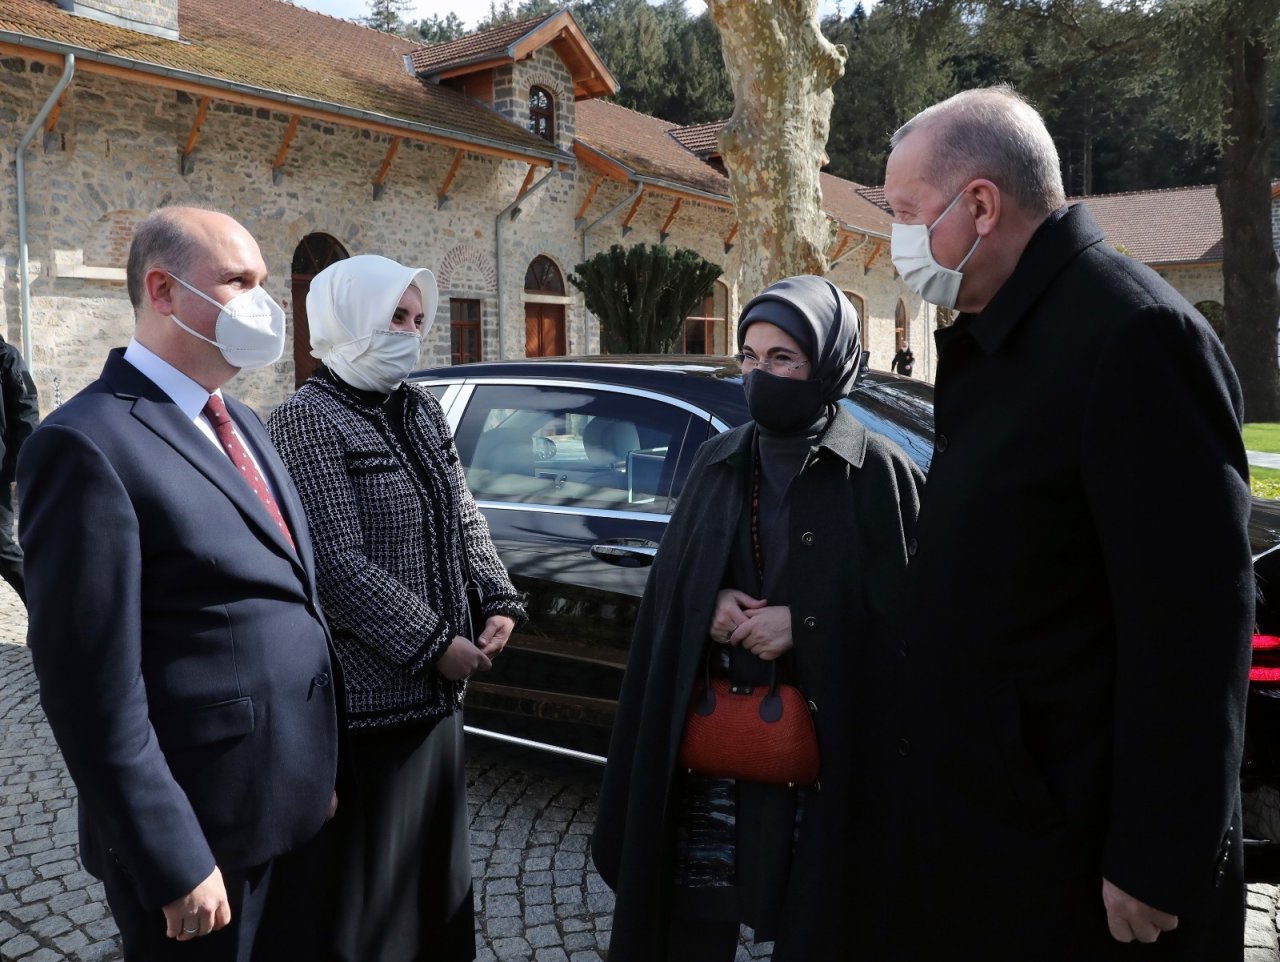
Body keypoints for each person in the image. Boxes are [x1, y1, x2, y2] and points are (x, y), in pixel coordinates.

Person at [871, 87, 1253, 960]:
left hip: (1076, 849)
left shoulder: (1134, 335)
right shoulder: (1005, 328)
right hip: (998, 820)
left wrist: (1158, 855)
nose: (893, 240)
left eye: (901, 213)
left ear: (979, 204)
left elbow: (1194, 623)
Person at [17, 207, 341, 961]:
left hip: (289, 812)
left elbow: (290, 602)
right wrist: (172, 857)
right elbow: (89, 691)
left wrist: (313, 776)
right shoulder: (84, 443)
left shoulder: (248, 425)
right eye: (239, 280)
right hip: (203, 841)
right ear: (162, 291)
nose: (264, 301)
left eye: (264, 281)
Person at [592, 275, 924, 962]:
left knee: (822, 916)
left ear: (828, 362)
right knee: (697, 912)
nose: (759, 373)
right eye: (748, 355)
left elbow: (913, 626)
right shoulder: (718, 460)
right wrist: (704, 604)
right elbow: (671, 595)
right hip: (714, 750)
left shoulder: (881, 476)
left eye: (782, 358)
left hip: (829, 756)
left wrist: (801, 626)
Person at [267, 254, 526, 962]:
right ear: (346, 320)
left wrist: (498, 594)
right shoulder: (304, 421)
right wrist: (436, 641)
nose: (410, 335)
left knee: (433, 882)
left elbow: (462, 514)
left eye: (418, 320)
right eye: (394, 319)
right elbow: (335, 565)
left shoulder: (419, 408)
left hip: (439, 701)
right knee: (367, 896)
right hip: (367, 707)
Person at [0, 331, 38, 603]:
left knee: (1, 546)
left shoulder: (7, 358)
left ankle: (43, 606)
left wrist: (25, 465)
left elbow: (26, 413)